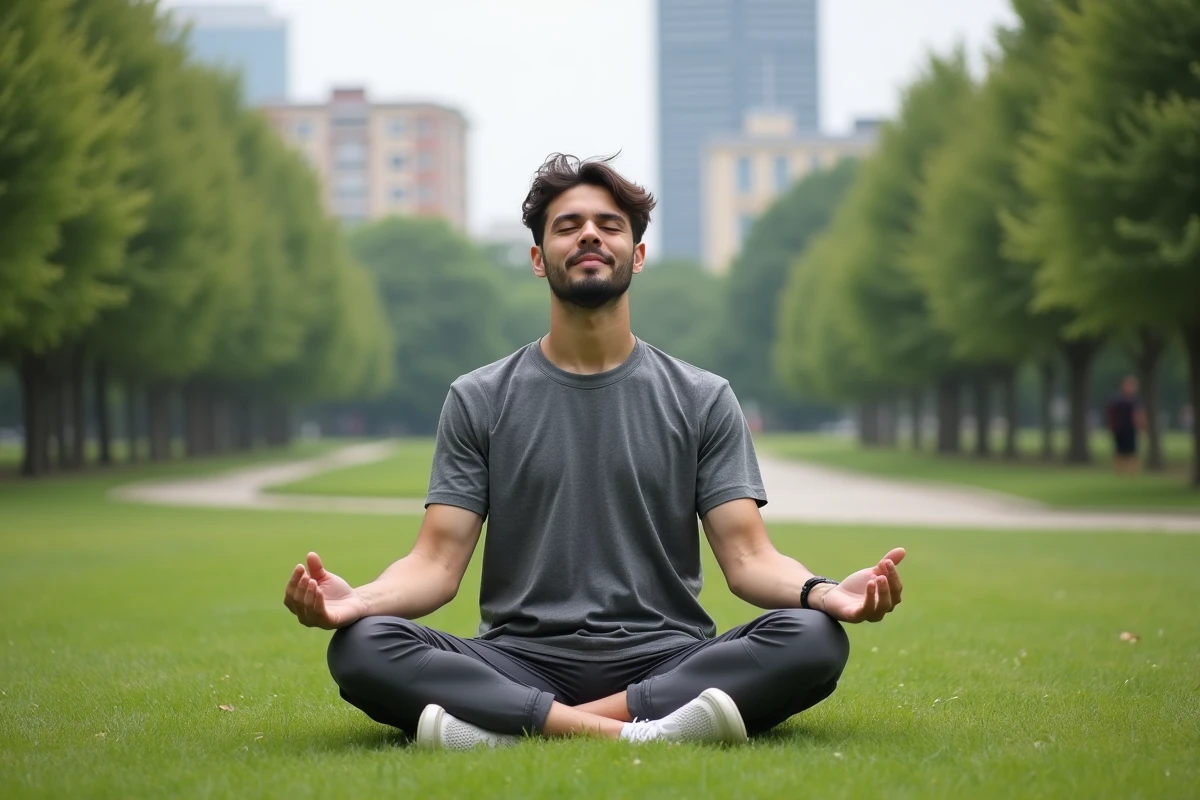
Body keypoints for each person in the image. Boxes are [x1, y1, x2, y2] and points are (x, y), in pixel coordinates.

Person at [282, 154, 907, 750]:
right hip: (518, 658)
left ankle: (521, 728)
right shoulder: (477, 397)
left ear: (635, 255)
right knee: (362, 646)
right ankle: (644, 730)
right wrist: (357, 602)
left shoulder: (703, 397)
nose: (589, 236)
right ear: (538, 256)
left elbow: (747, 556)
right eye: (568, 226)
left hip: (666, 654)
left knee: (812, 639)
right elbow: (436, 563)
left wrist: (824, 594)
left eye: (609, 226)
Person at [1105, 375, 1146, 475]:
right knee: (1119, 452)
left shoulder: (1135, 401)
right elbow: (1111, 415)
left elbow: (1139, 415)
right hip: (1119, 429)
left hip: (1131, 430)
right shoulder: (1116, 401)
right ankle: (1119, 472)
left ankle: (1132, 472)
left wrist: (1141, 427)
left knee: (1132, 452)